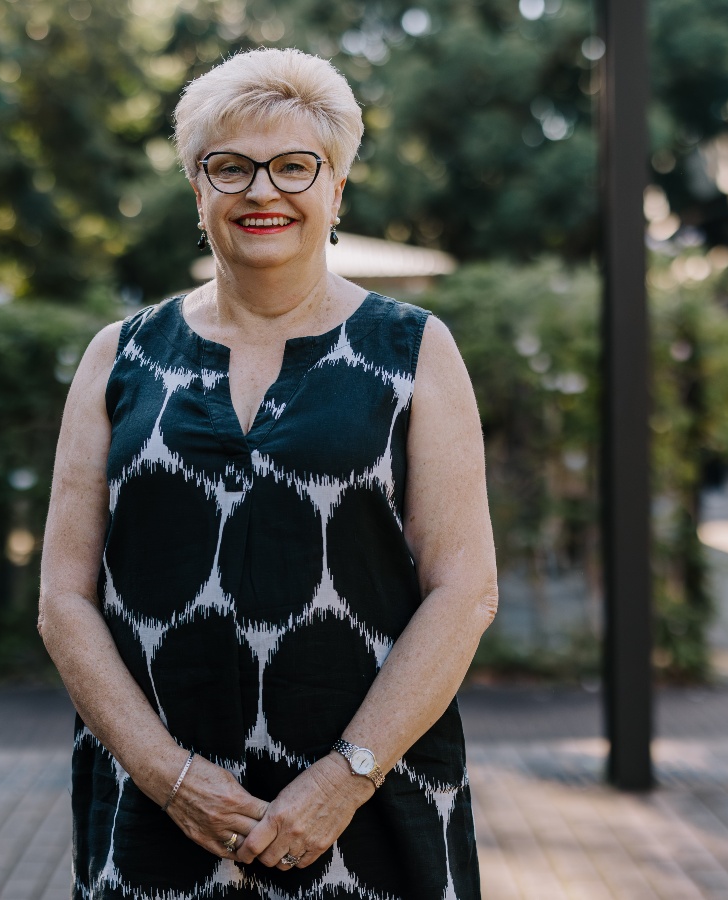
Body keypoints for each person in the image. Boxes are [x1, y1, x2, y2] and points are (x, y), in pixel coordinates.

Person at [38, 47, 497, 899]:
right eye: (231, 168)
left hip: (374, 807)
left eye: (294, 166)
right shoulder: (119, 357)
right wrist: (167, 776)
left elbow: (465, 590)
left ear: (336, 191)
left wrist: (342, 779)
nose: (262, 191)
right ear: (196, 191)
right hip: (153, 811)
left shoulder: (415, 349)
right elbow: (65, 598)